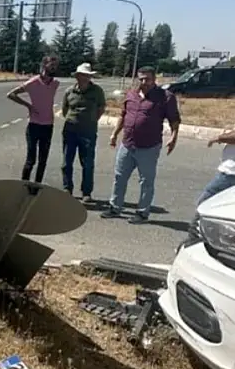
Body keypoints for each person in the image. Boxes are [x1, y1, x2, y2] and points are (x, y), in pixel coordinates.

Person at [101, 66, 181, 224]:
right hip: (127, 144)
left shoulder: (165, 97)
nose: (144, 82)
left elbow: (174, 119)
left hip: (149, 147)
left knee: (146, 181)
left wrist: (173, 138)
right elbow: (123, 116)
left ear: (154, 79)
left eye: (147, 79)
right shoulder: (131, 94)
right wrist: (114, 134)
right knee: (119, 177)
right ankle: (115, 207)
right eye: (141, 78)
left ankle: (142, 212)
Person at [7, 56, 60, 183]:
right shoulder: (33, 82)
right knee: (31, 159)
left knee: (43, 160)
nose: (54, 67)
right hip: (34, 125)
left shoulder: (55, 84)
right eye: (51, 65)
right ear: (44, 65)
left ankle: (36, 187)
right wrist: (28, 105)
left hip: (48, 125)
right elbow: (11, 94)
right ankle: (24, 184)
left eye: (56, 65)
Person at [61, 62, 106, 202]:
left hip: (88, 132)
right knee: (67, 162)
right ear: (77, 76)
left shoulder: (97, 91)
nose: (84, 78)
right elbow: (65, 110)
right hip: (70, 131)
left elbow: (101, 108)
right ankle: (67, 188)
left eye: (87, 75)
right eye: (82, 75)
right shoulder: (69, 91)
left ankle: (86, 192)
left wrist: (91, 120)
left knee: (87, 163)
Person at [186, 128, 235, 239]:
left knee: (204, 206)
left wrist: (219, 138)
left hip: (230, 174)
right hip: (229, 173)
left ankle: (193, 239)